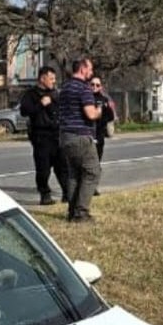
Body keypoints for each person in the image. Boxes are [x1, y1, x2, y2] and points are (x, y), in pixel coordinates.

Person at [58, 57, 103, 222]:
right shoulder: (83, 89)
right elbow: (90, 114)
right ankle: (81, 212)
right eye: (90, 69)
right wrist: (99, 110)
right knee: (92, 172)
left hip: (65, 137)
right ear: (83, 68)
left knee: (74, 175)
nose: (91, 73)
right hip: (81, 137)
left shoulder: (65, 88)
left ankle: (72, 211)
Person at [19, 66, 68, 206]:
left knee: (62, 166)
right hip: (41, 136)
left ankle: (67, 192)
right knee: (43, 168)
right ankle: (45, 194)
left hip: (57, 134)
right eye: (51, 78)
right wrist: (40, 104)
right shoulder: (31, 94)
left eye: (54, 78)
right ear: (42, 78)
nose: (54, 81)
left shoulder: (55, 94)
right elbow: (24, 111)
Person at [90, 75, 116, 196]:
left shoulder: (104, 100)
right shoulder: (85, 98)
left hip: (99, 135)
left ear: (101, 87)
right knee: (85, 163)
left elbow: (110, 117)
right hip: (87, 135)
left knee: (96, 163)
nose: (94, 87)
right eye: (92, 84)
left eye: (97, 85)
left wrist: (106, 110)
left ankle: (93, 186)